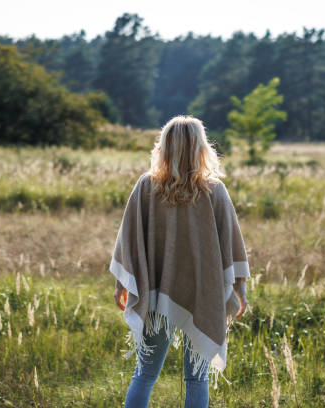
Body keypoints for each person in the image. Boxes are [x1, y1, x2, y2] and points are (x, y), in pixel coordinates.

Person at [110, 115, 250, 408]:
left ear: (164, 147)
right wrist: (239, 292)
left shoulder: (147, 187)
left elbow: (128, 242)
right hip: (203, 295)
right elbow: (232, 248)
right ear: (202, 148)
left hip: (156, 295)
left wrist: (121, 285)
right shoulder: (215, 190)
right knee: (196, 379)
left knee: (145, 375)